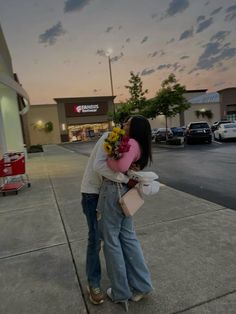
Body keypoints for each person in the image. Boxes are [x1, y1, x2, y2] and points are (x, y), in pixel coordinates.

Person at [96, 115, 153, 311]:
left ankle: (120, 292)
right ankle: (142, 285)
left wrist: (111, 157)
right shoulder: (140, 145)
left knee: (111, 241)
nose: (125, 125)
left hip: (113, 192)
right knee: (128, 239)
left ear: (135, 127)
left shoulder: (131, 143)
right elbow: (126, 168)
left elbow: (119, 166)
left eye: (128, 123)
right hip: (125, 193)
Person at [81, 131, 135, 305]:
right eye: (127, 123)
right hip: (93, 194)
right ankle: (93, 282)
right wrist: (126, 179)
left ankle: (124, 281)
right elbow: (99, 166)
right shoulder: (110, 138)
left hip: (110, 194)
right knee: (96, 239)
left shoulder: (129, 144)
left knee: (118, 238)